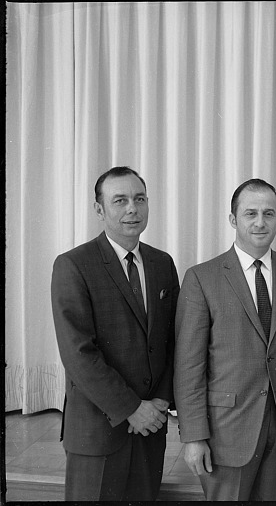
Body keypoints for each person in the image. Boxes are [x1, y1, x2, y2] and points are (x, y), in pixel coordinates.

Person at [173, 178, 276, 501]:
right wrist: (194, 436)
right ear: (232, 219)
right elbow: (188, 366)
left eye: (269, 213)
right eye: (250, 213)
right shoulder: (202, 278)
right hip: (227, 431)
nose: (260, 222)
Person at [51, 166, 179, 501]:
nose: (132, 209)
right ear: (99, 209)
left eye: (139, 199)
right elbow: (78, 353)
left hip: (151, 429)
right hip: (98, 432)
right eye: (119, 200)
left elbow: (172, 342)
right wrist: (132, 408)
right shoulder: (73, 265)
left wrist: (161, 402)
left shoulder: (162, 263)